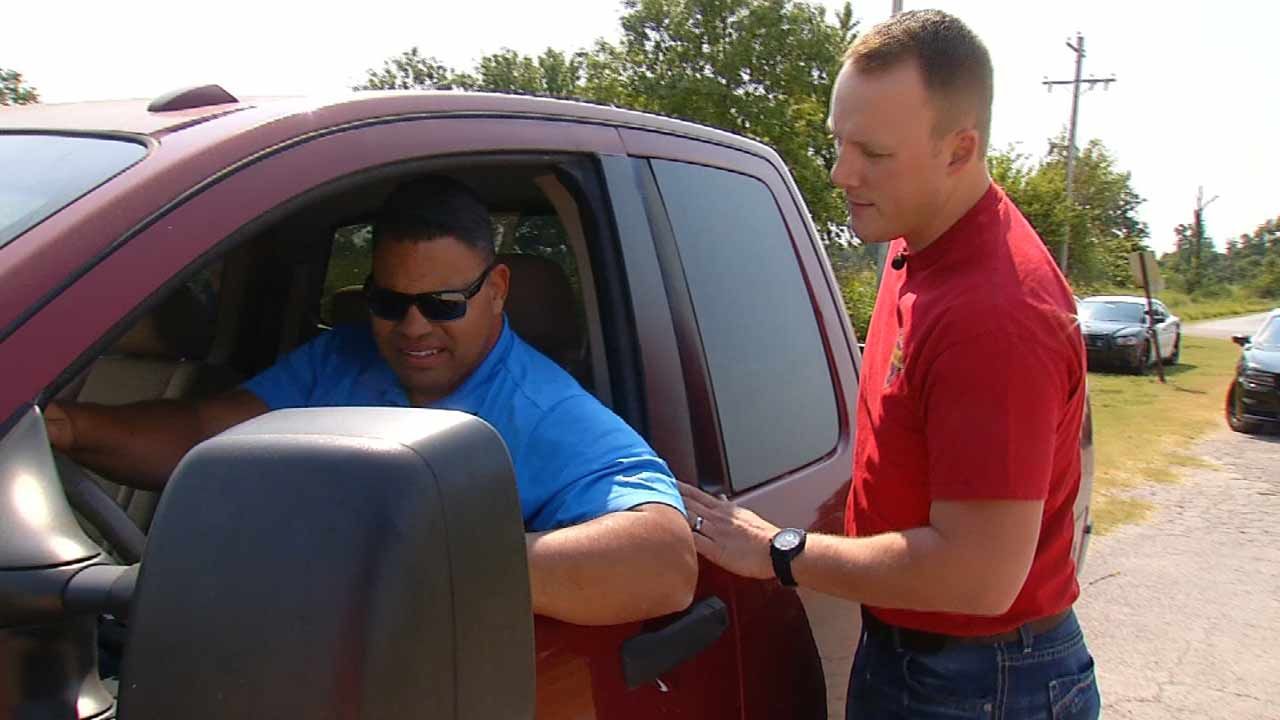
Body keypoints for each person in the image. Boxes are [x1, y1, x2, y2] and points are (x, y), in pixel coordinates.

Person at [679, 10, 1099, 718]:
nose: (843, 172)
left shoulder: (994, 313)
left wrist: (779, 551)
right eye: (840, 142)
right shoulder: (919, 241)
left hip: (982, 685)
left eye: (872, 152)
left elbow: (978, 577)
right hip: (922, 655)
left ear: (959, 149)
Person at [47, 176, 696, 627]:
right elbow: (202, 432)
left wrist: (420, 560)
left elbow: (663, 561)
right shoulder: (344, 356)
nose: (412, 328)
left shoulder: (547, 412)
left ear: (497, 289)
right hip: (244, 641)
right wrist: (69, 427)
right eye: (389, 302)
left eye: (443, 304)